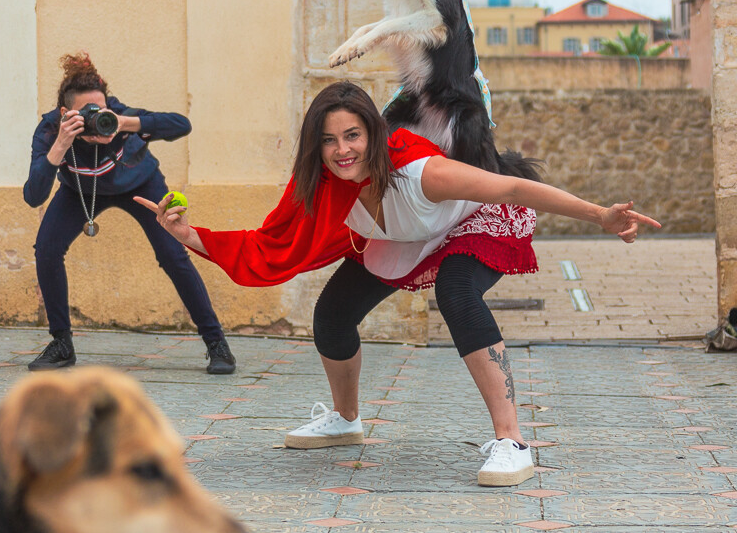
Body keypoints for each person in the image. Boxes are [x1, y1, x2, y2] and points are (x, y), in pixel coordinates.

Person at [138, 81, 659, 486]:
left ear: (371, 133)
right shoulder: (322, 187)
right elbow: (269, 245)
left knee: (457, 293)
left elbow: (514, 186)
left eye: (352, 136)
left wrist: (601, 216)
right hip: (406, 235)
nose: (342, 150)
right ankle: (345, 419)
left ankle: (512, 441)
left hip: (473, 221)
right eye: (328, 140)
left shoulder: (421, 171)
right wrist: (188, 234)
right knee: (333, 314)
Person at [24, 53, 236, 374]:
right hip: (79, 191)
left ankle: (216, 343)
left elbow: (182, 125)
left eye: (101, 108)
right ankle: (62, 344)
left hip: (139, 183)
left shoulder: (119, 118)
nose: (96, 117)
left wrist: (125, 123)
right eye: (86, 113)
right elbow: (33, 195)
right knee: (47, 251)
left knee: (173, 256)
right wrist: (61, 143)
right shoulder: (51, 130)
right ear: (66, 113)